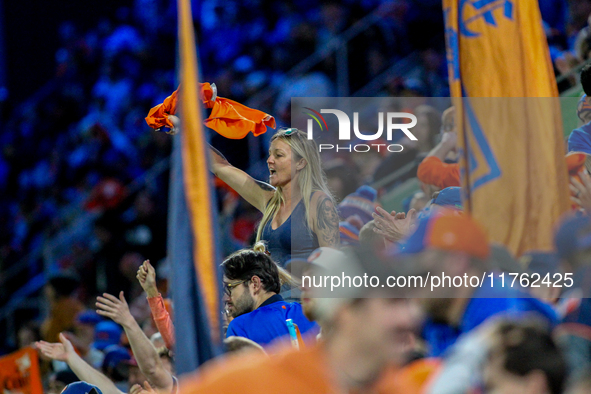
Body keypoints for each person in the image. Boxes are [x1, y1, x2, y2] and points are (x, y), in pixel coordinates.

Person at [180, 248, 421, 394]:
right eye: (392, 303)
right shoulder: (259, 381)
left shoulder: (407, 386)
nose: (410, 318)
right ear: (346, 310)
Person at [209, 127, 340, 266]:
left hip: (303, 287)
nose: (269, 160)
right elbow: (220, 167)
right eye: (270, 154)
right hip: (269, 287)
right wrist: (188, 129)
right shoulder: (268, 199)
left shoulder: (318, 202)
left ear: (301, 162)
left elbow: (331, 264)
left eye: (278, 155)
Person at [222, 243, 319, 346]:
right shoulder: (312, 315)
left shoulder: (239, 326)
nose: (225, 298)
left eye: (229, 287)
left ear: (255, 284)